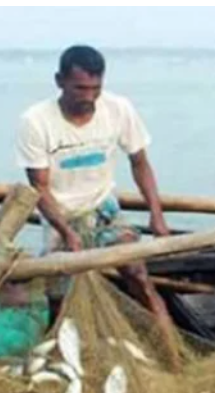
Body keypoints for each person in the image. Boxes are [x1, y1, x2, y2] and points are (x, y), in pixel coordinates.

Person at [16, 45, 181, 363]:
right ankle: (57, 361)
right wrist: (67, 232)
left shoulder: (118, 109)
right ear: (59, 81)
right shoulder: (36, 121)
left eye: (96, 88)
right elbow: (39, 188)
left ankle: (173, 356)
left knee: (138, 274)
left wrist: (156, 215)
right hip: (59, 216)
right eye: (80, 88)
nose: (89, 97)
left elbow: (140, 163)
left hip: (104, 210)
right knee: (60, 297)